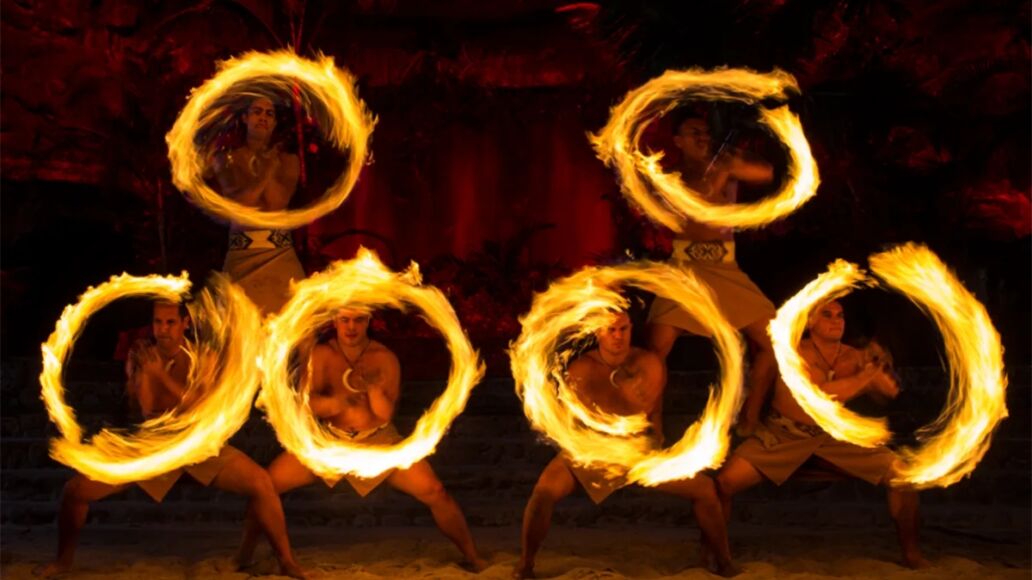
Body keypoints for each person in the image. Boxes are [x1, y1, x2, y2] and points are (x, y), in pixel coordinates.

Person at [33, 301, 307, 578]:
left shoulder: (204, 357)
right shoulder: (142, 356)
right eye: (157, 322)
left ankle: (286, 560)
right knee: (75, 490)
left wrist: (161, 376)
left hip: (196, 444)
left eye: (170, 323)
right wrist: (148, 375)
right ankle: (63, 562)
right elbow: (148, 410)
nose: (162, 330)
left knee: (261, 482)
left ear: (185, 323)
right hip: (154, 445)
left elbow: (200, 408)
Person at [235, 308, 485, 571]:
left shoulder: (384, 358)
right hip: (328, 443)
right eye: (344, 319)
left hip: (377, 441)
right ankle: (244, 556)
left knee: (435, 492)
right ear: (335, 321)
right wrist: (334, 403)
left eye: (358, 320)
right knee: (264, 487)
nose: (351, 326)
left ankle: (472, 556)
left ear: (369, 321)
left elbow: (384, 415)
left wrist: (373, 389)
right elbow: (308, 405)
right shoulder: (322, 355)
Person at [514, 311, 739, 579]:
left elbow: (655, 418)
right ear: (598, 332)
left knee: (705, 489)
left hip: (635, 452)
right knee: (544, 492)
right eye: (610, 330)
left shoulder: (649, 363)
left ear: (631, 328)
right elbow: (570, 425)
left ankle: (723, 563)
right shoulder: (581, 368)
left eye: (623, 329)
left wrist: (651, 447)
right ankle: (525, 565)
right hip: (592, 450)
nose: (618, 336)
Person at [714, 300, 928, 568]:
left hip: (832, 437)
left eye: (840, 315)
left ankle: (912, 554)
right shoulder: (790, 352)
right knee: (724, 482)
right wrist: (865, 377)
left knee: (901, 476)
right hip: (784, 435)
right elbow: (816, 395)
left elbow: (889, 393)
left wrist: (881, 365)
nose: (836, 320)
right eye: (827, 315)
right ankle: (718, 557)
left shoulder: (854, 356)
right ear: (810, 321)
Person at [646, 108, 778, 435]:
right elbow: (697, 204)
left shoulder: (726, 167)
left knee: (776, 342)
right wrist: (719, 174)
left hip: (726, 268)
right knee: (655, 350)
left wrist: (733, 162)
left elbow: (766, 173)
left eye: (705, 131)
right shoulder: (671, 178)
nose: (702, 136)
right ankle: (653, 426)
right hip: (685, 271)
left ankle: (749, 420)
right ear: (678, 141)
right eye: (694, 131)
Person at [210, 94, 306, 314]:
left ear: (274, 122)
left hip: (280, 253)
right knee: (239, 330)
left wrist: (269, 163)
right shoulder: (225, 160)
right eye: (257, 111)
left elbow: (276, 203)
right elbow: (243, 205)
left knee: (288, 329)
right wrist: (268, 169)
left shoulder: (289, 161)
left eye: (269, 113)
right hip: (242, 254)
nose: (263, 117)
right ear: (244, 117)